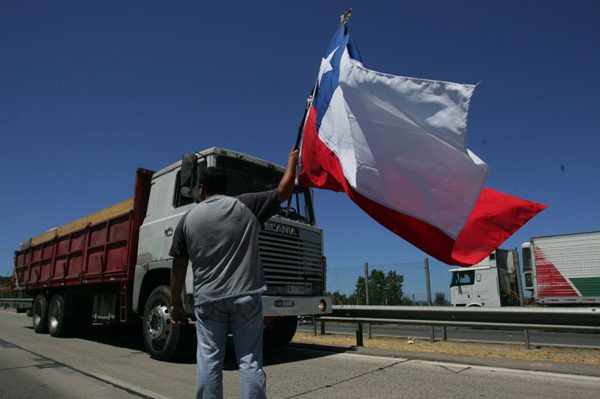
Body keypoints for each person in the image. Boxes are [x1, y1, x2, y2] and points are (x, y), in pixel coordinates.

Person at [169, 148, 299, 399]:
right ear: (226, 189)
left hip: (208, 300)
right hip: (246, 297)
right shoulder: (246, 205)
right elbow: (283, 191)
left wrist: (175, 304)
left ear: (202, 188)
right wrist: (292, 162)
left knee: (209, 360)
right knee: (250, 361)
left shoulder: (187, 219)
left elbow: (179, 265)